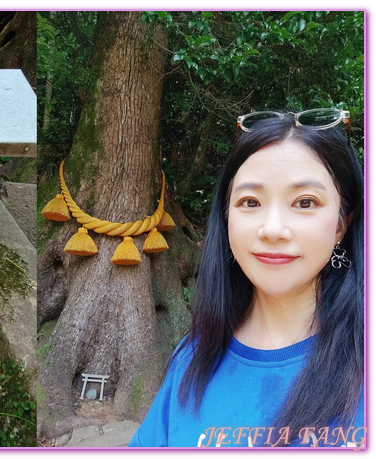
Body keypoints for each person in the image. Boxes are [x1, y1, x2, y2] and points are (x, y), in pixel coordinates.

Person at [129, 109, 365, 447]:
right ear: (226, 220)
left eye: (305, 202)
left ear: (342, 224)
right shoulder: (193, 356)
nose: (272, 229)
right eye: (250, 201)